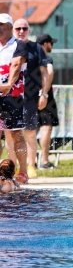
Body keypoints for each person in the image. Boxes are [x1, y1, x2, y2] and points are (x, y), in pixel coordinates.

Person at [13, 19, 49, 179]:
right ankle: (13, 168)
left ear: (29, 30)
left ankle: (31, 165)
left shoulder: (36, 48)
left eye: (24, 28)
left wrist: (44, 94)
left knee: (29, 132)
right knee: (11, 133)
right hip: (11, 97)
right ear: (12, 29)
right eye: (18, 28)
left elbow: (45, 73)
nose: (21, 31)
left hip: (30, 97)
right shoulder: (9, 47)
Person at [0, 13, 29, 184]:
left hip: (14, 96)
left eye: (3, 25)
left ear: (10, 28)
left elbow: (16, 67)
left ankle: (23, 172)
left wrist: (8, 85)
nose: (0, 28)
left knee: (16, 133)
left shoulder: (18, 45)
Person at [36, 33, 60, 169]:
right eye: (52, 43)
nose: (52, 46)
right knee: (46, 128)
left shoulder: (31, 57)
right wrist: (44, 92)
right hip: (45, 97)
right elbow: (49, 72)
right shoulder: (46, 57)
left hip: (31, 97)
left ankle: (30, 161)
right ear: (45, 44)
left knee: (32, 129)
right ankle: (45, 161)